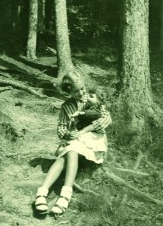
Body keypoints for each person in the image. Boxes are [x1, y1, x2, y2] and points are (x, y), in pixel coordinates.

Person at [34, 71, 112, 215]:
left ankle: (64, 194)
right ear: (68, 92)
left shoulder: (91, 100)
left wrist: (82, 132)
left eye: (83, 88)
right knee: (67, 154)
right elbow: (62, 127)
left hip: (93, 140)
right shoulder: (66, 106)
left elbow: (106, 119)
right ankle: (43, 193)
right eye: (77, 91)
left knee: (71, 150)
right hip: (74, 141)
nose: (82, 93)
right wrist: (67, 134)